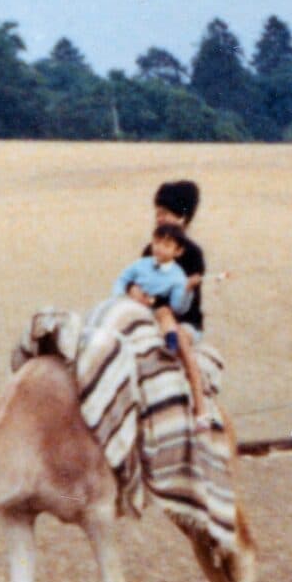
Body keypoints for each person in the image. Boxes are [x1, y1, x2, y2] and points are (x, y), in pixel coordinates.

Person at [112, 223, 215, 426]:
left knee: (166, 315)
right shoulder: (142, 264)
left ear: (178, 251)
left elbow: (179, 307)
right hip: (137, 308)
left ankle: (199, 404)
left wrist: (187, 289)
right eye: (157, 242)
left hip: (160, 314)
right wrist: (123, 294)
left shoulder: (177, 276)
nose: (159, 248)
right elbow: (123, 278)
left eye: (167, 245)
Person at [145, 179, 208, 333]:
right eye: (157, 213)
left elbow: (181, 295)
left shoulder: (193, 254)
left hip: (183, 319)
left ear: (182, 218)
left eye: (165, 213)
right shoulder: (150, 250)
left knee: (178, 335)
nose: (159, 218)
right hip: (152, 313)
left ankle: (189, 358)